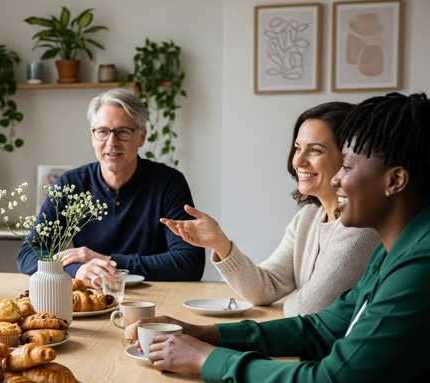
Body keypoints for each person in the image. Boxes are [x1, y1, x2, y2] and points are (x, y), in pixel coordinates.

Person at [134, 93, 430, 383]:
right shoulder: (396, 249)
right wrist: (206, 334)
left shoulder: (419, 264)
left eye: (348, 166)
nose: (337, 180)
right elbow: (321, 327)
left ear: (395, 180)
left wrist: (206, 359)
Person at [162, 102, 380, 316]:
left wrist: (294, 299)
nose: (299, 161)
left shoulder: (361, 227)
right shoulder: (307, 218)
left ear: (349, 158)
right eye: (297, 148)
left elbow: (308, 311)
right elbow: (264, 289)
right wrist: (220, 243)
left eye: (315, 150)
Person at [16, 89, 205, 284]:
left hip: (153, 298)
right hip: (92, 295)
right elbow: (28, 254)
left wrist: (107, 261)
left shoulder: (169, 183)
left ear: (141, 136)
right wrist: (77, 269)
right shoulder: (71, 184)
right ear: (92, 136)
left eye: (123, 132)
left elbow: (189, 262)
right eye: (102, 132)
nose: (111, 142)